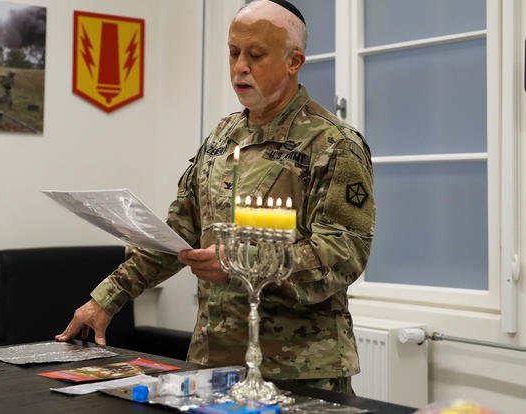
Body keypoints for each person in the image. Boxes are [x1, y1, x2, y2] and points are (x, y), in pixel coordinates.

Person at [56, 0, 375, 395]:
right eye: (233, 52)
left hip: (297, 369)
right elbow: (176, 234)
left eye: (255, 55)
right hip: (212, 361)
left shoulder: (332, 144)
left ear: (294, 62)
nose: (240, 66)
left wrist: (237, 262)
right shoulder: (222, 138)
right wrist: (106, 299)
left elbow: (343, 254)